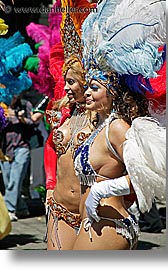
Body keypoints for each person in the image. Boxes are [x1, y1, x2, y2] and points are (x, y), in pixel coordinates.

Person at [71, 0, 166, 250]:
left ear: (112, 93)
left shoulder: (117, 127)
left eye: (94, 88)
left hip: (109, 226)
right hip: (94, 223)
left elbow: (150, 176)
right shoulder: (99, 126)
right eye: (87, 87)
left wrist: (103, 190)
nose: (87, 93)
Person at [45, 55, 96, 250]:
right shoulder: (64, 112)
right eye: (65, 81)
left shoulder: (104, 118)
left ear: (86, 82)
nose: (65, 87)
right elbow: (50, 147)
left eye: (71, 82)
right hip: (60, 208)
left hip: (92, 215)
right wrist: (50, 186)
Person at [0, 94, 36, 221]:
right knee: (8, 180)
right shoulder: (1, 106)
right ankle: (21, 207)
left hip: (22, 147)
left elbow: (33, 122)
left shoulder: (25, 105)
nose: (13, 96)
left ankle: (9, 210)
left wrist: (22, 119)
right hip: (5, 150)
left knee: (15, 179)